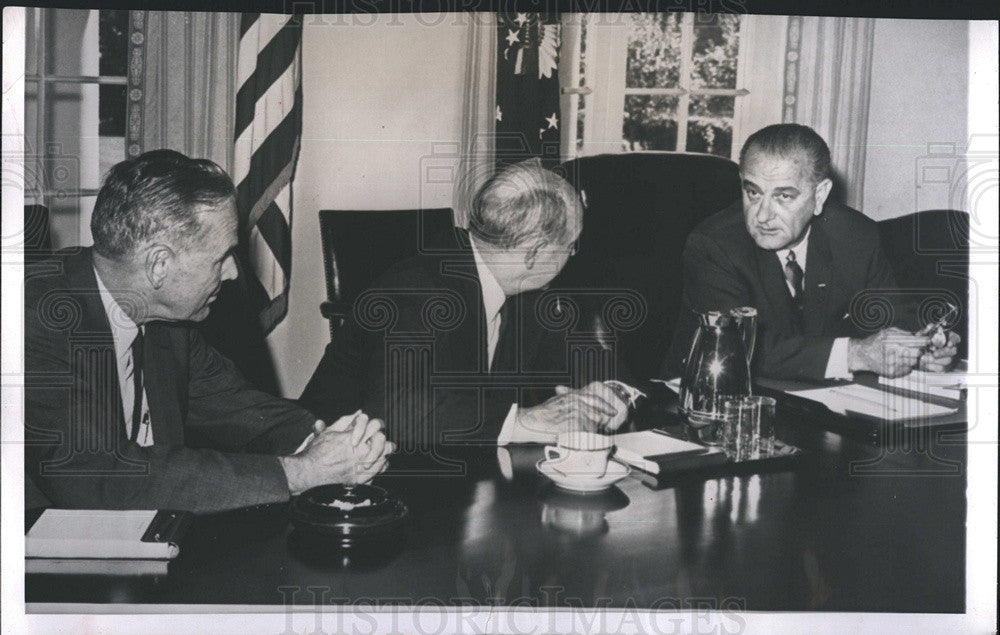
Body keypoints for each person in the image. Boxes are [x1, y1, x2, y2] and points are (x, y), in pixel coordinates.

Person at [25, 150, 393, 513]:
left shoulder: (167, 320)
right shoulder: (32, 319)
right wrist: (298, 473)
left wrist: (333, 441)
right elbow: (96, 475)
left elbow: (240, 409)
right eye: (221, 258)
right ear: (159, 265)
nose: (234, 273)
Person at [300, 159, 629, 454]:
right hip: (343, 471)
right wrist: (528, 421)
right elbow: (394, 408)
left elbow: (574, 364)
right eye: (570, 247)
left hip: (456, 470)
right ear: (535, 253)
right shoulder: (418, 286)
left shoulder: (524, 290)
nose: (572, 257)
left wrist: (606, 396)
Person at [666, 124, 959, 381]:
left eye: (783, 196)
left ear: (819, 195)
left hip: (813, 400)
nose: (763, 215)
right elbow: (740, 348)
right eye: (753, 192)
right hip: (709, 402)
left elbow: (891, 314)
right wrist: (856, 354)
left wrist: (923, 345)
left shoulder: (855, 236)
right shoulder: (713, 245)